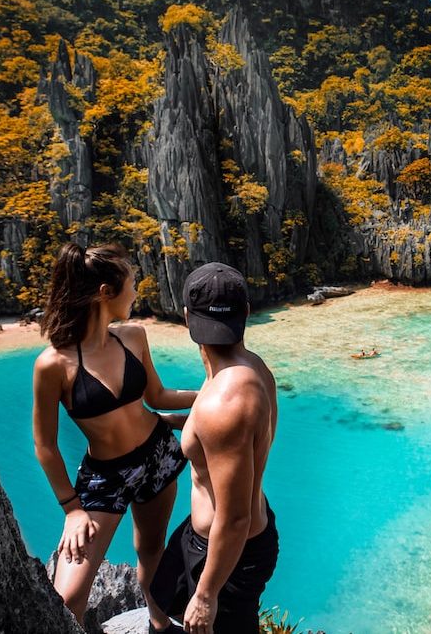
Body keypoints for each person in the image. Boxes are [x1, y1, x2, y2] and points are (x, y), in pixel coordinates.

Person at [31, 242, 198, 632]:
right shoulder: (53, 364)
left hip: (159, 456)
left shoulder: (134, 336)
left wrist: (214, 389)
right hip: (104, 480)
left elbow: (157, 397)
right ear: (106, 293)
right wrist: (72, 509)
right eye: (132, 283)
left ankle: (158, 624)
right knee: (69, 597)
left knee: (151, 551)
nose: (137, 292)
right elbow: (45, 445)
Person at [150, 262, 279, 634]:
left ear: (188, 317)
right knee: (160, 591)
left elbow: (235, 516)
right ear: (247, 313)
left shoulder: (226, 402)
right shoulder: (249, 369)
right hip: (211, 534)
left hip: (230, 550)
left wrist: (207, 595)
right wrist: (167, 421)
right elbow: (223, 438)